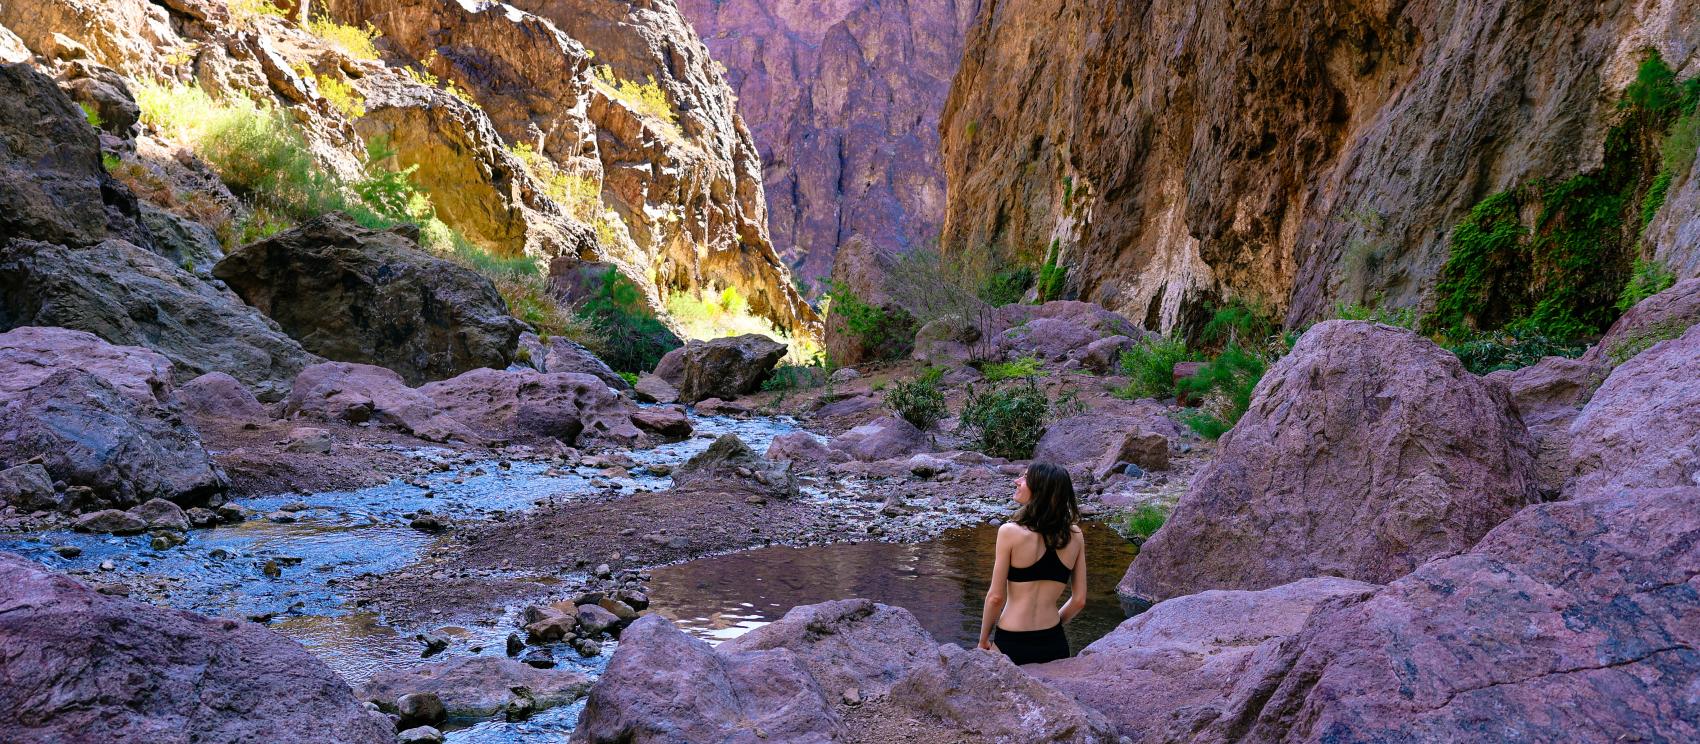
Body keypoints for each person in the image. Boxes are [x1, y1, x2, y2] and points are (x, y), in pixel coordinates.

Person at [977, 462, 1086, 665]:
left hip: (1012, 641)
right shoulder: (1075, 535)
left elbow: (995, 597)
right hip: (1054, 641)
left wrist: (983, 641)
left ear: (1040, 489)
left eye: (1025, 478)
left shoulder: (1009, 532)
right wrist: (1053, 625)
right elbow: (1079, 600)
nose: (1016, 481)